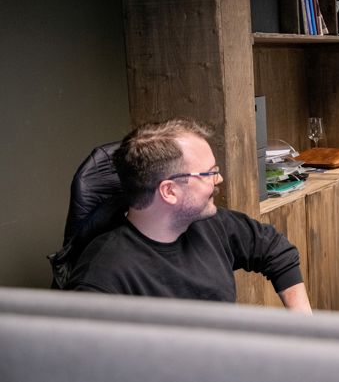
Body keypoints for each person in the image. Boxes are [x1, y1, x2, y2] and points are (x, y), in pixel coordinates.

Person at [67, 119, 312, 314]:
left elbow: (275, 249)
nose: (219, 179)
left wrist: (303, 327)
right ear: (169, 191)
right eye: (209, 173)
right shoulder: (102, 278)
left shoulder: (211, 224)